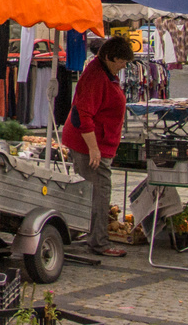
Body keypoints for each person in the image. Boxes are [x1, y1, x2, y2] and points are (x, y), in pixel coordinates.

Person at [62, 34, 134, 258]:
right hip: (89, 145)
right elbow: (83, 114)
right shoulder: (96, 76)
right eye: (122, 61)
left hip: (96, 143)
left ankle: (85, 234)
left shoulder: (105, 72)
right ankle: (99, 243)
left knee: (91, 192)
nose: (124, 66)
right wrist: (94, 148)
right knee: (99, 193)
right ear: (111, 58)